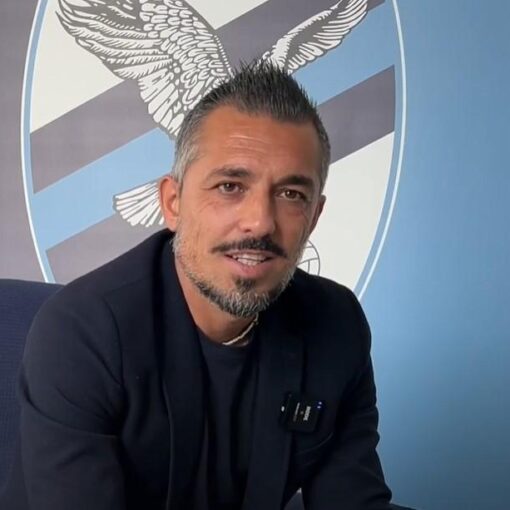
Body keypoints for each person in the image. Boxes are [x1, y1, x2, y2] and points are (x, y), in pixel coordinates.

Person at [4, 62, 392, 509]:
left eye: (291, 195)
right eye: (230, 186)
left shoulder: (336, 326)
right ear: (173, 203)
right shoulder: (81, 333)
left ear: (314, 216)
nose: (260, 222)